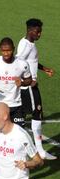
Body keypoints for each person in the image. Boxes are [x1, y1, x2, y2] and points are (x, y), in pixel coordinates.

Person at [16, 18, 56, 160]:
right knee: (35, 114)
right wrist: (24, 81)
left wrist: (44, 69)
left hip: (30, 85)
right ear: (30, 31)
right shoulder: (26, 45)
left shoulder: (29, 43)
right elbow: (18, 62)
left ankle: (35, 150)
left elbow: (32, 61)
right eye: (38, 32)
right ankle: (38, 151)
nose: (40, 35)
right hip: (29, 87)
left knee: (33, 115)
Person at [0, 37, 32, 126]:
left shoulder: (22, 64)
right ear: (0, 49)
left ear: (13, 49)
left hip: (16, 105)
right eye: (3, 51)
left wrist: (22, 83)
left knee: (19, 133)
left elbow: (29, 80)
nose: (6, 54)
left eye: (9, 50)